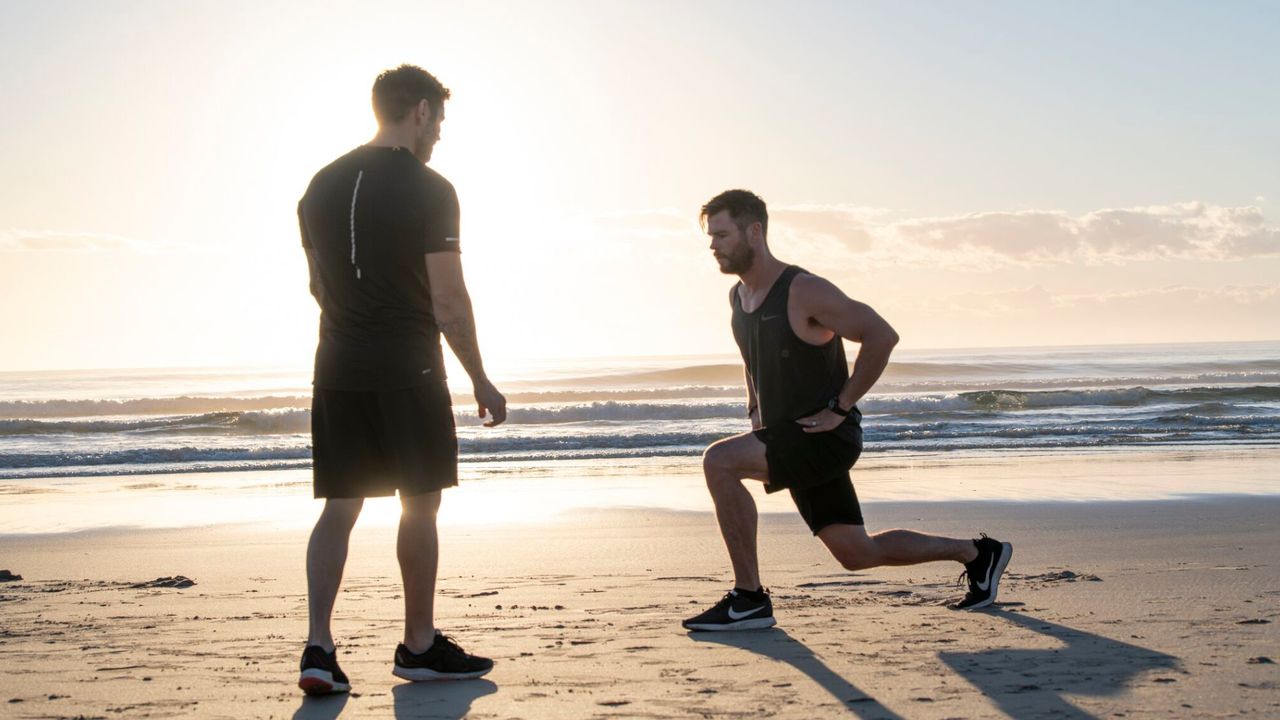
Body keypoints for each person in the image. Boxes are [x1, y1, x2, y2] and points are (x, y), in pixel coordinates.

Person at [683, 189, 1011, 632]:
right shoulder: (738, 298)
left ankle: (749, 598)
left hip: (825, 439)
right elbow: (752, 358)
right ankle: (978, 554)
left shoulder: (804, 291)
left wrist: (842, 406)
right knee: (857, 553)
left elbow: (881, 335)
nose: (713, 245)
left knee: (719, 462)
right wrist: (755, 407)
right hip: (789, 436)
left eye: (722, 234)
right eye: (711, 236)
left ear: (754, 231)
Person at [295, 65, 505, 694]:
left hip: (336, 364)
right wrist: (481, 379)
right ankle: (418, 644)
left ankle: (318, 648)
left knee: (340, 507)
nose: (439, 133)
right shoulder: (431, 189)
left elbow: (317, 285)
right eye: (438, 119)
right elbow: (448, 302)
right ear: (419, 111)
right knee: (420, 504)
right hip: (408, 366)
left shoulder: (319, 185)